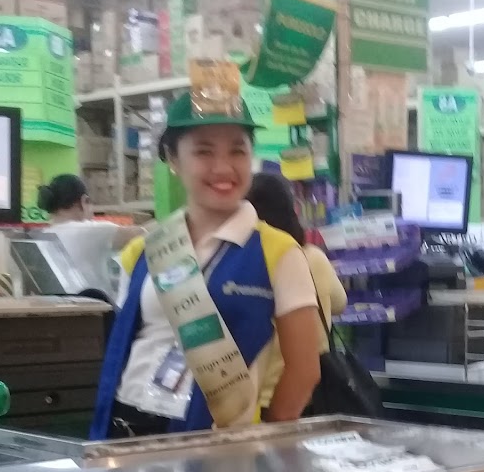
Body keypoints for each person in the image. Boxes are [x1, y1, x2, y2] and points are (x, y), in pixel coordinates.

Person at [90, 92, 320, 439]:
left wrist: (265, 438)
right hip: (124, 425)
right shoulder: (144, 250)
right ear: (173, 159)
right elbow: (125, 344)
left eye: (237, 151)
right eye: (204, 152)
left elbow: (304, 371)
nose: (223, 168)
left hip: (216, 439)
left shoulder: (279, 253)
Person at [245, 172, 347, 416]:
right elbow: (340, 303)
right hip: (315, 399)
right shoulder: (314, 257)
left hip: (265, 402)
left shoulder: (253, 264)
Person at [37, 174, 142, 297]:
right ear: (84, 201)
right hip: (95, 306)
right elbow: (141, 235)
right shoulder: (91, 231)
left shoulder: (42, 236)